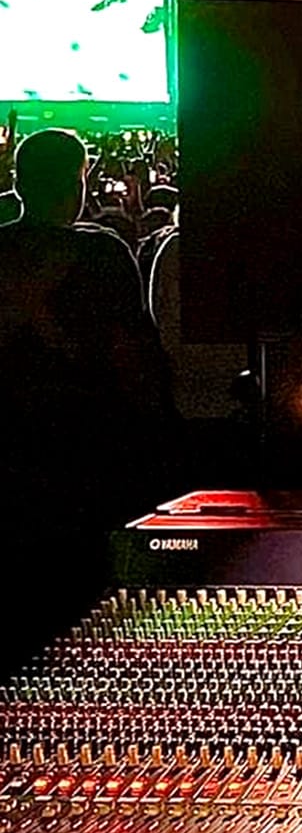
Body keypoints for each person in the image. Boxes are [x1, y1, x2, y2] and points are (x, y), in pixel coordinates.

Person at [0, 127, 171, 664]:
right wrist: (158, 429)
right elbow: (129, 353)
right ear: (78, 181)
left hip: (9, 449)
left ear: (18, 183)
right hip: (87, 447)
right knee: (85, 600)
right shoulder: (101, 253)